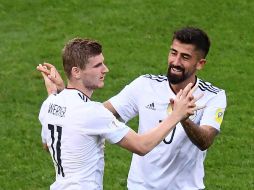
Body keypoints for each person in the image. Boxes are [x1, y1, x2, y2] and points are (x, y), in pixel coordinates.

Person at [38, 38, 201, 190]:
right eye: (97, 66)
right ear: (76, 72)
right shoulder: (93, 112)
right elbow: (141, 146)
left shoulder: (50, 103)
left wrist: (59, 92)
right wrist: (176, 115)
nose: (105, 69)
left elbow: (49, 145)